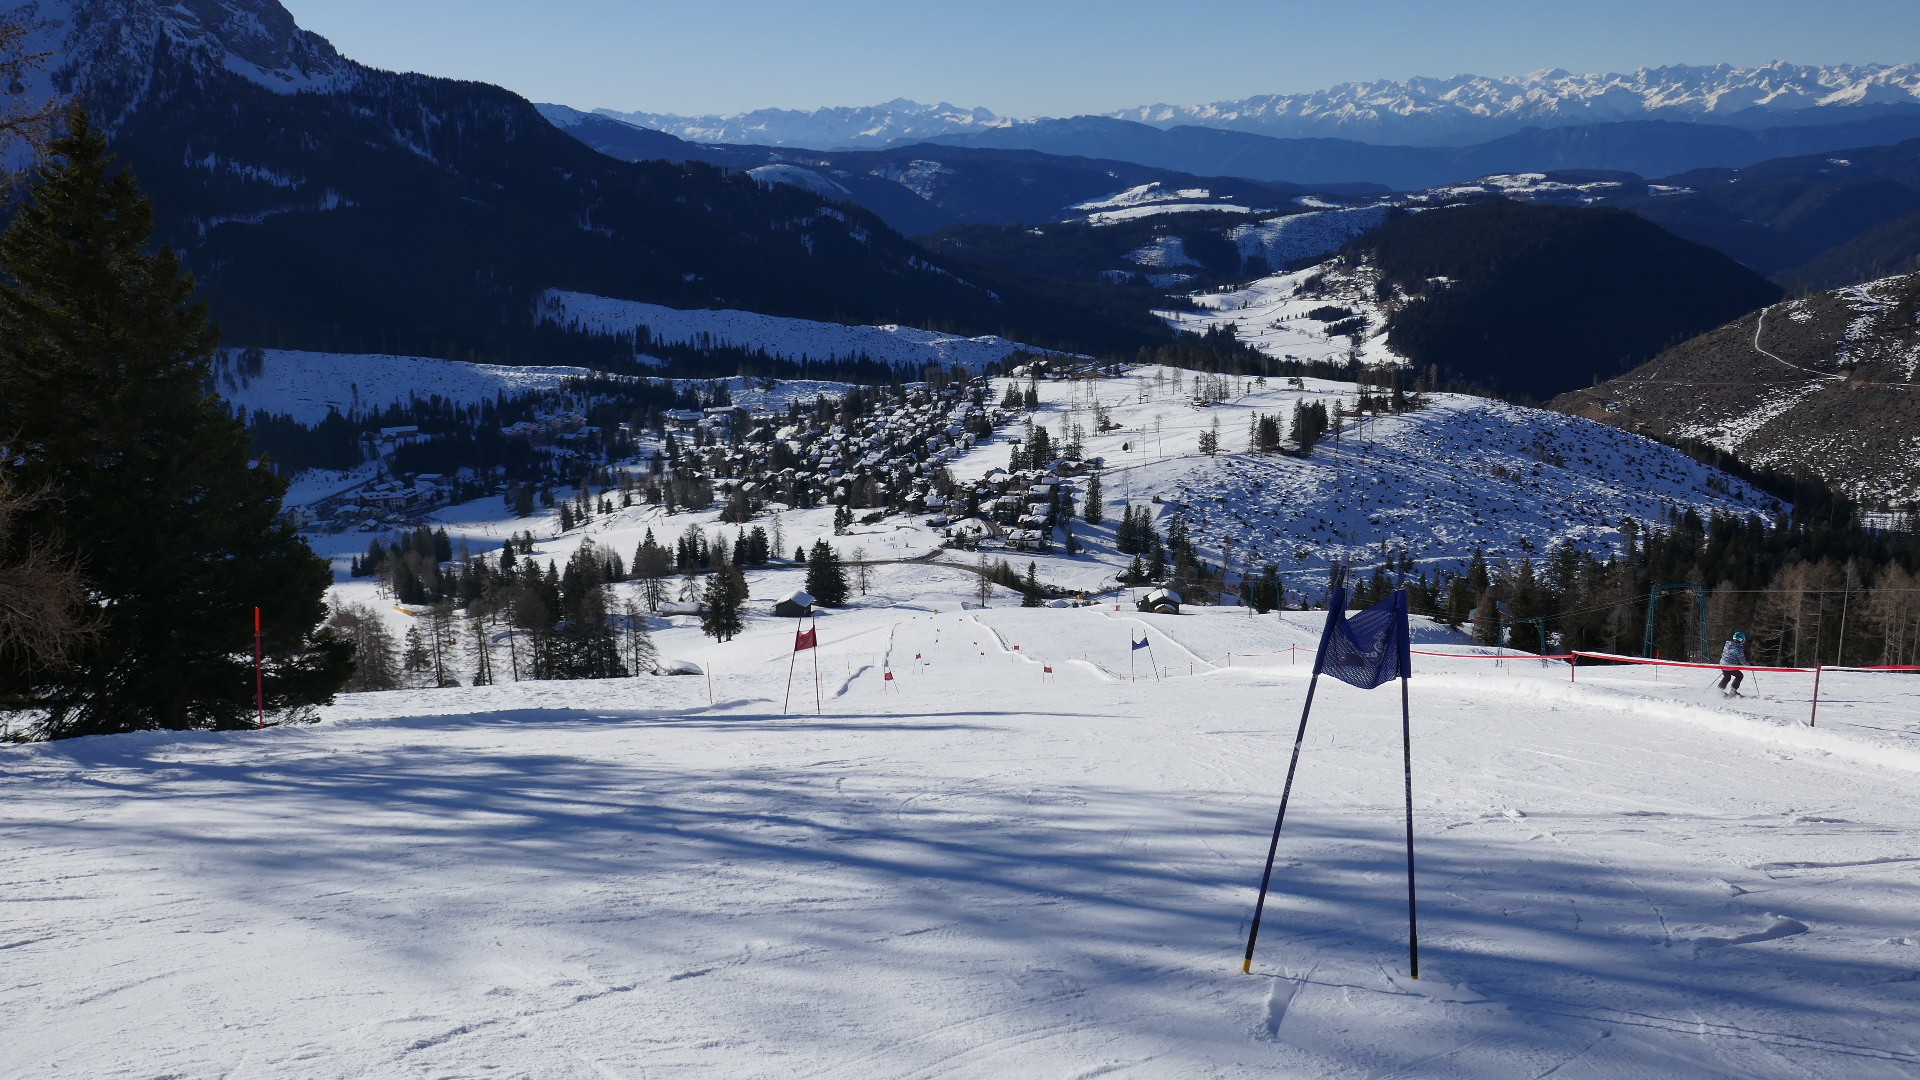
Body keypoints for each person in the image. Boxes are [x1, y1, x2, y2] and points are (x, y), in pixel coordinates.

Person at [1717, 631, 1749, 697]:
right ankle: (1733, 691)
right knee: (1739, 675)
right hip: (1730, 666)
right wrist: (1749, 665)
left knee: (1727, 677)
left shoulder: (1727, 644)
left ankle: (1719, 690)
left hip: (1722, 664)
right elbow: (1742, 660)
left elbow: (1725, 654)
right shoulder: (1739, 648)